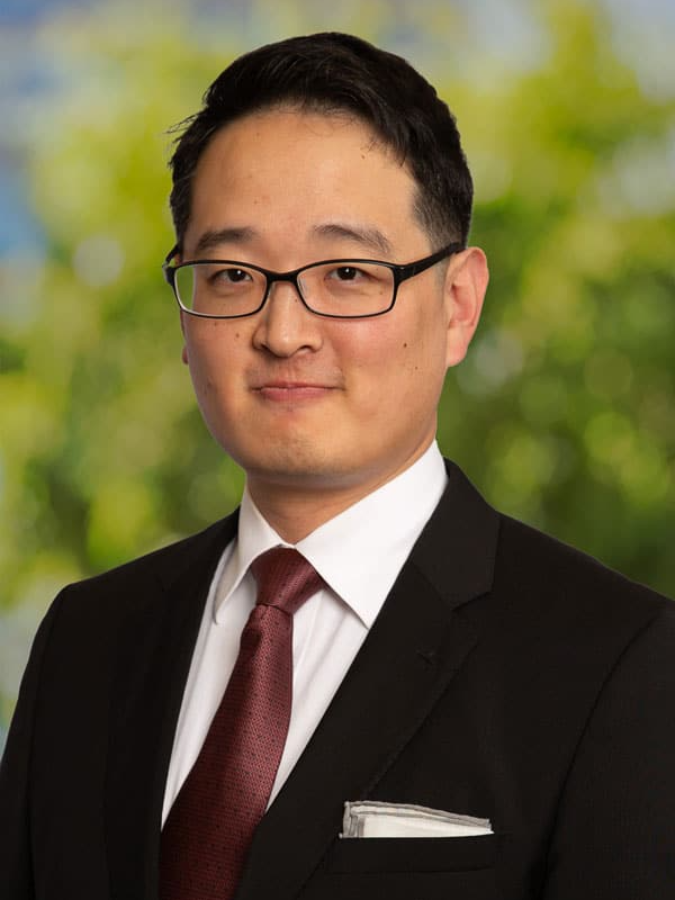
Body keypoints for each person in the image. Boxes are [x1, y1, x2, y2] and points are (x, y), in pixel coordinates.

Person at [1, 31, 673, 900]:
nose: (283, 332)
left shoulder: (616, 662)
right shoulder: (86, 640)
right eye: (234, 274)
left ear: (459, 304)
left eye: (348, 272)